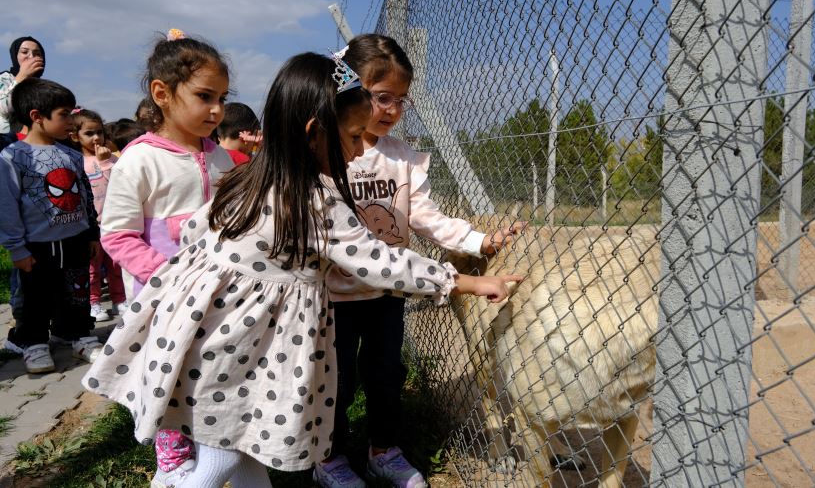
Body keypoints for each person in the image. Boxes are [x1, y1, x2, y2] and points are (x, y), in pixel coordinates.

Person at [81, 52, 521, 488]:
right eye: (353, 136)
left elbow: (197, 228)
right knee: (219, 460)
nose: (357, 150)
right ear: (314, 132)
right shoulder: (313, 201)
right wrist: (465, 281)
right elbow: (381, 261)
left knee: (238, 443)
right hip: (235, 347)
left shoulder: (252, 178)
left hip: (205, 329)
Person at [313, 34, 525, 488]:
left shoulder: (403, 158)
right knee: (335, 382)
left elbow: (428, 217)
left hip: (388, 293)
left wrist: (479, 242)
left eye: (401, 100)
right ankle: (328, 456)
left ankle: (383, 451)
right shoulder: (329, 151)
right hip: (333, 297)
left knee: (386, 375)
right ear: (350, 91)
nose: (392, 109)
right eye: (381, 97)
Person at [99, 29, 234, 303]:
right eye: (205, 96)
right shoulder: (139, 160)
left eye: (222, 98)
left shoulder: (222, 158)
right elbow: (118, 236)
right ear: (162, 94)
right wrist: (166, 275)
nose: (217, 109)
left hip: (217, 294)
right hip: (161, 299)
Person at [0, 78, 103, 373]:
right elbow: (7, 206)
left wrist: (92, 233)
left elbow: (84, 196)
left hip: (75, 240)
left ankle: (79, 336)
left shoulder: (71, 155)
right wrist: (16, 248)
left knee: (77, 293)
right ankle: (34, 343)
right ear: (37, 116)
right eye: (64, 114)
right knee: (35, 298)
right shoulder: (12, 157)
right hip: (36, 247)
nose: (71, 121)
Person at [69, 108, 127, 321]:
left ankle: (120, 300)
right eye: (89, 133)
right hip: (92, 227)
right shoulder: (76, 162)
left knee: (116, 265)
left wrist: (105, 162)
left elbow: (121, 183)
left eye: (99, 132)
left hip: (114, 223)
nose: (96, 138)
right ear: (75, 136)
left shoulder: (112, 159)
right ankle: (93, 302)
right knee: (92, 268)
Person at [1, 37, 46, 134]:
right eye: (25, 52)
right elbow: (3, 109)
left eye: (37, 54)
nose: (31, 57)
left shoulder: (44, 87)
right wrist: (22, 76)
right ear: (15, 56)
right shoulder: (3, 79)